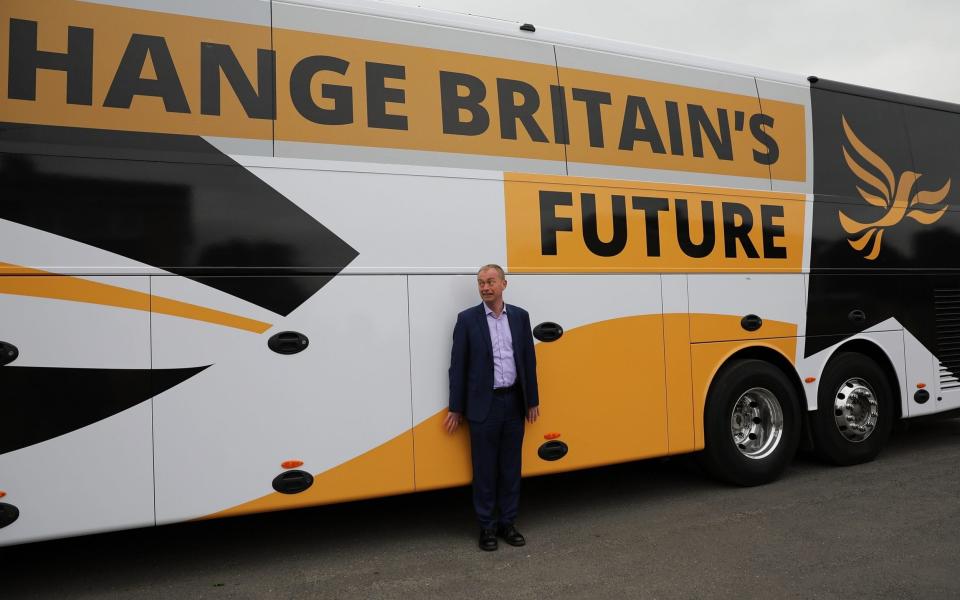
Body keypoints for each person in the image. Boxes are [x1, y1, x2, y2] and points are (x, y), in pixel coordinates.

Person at [445, 264, 540, 551]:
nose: (485, 287)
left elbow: (528, 359)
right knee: (484, 469)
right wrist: (456, 408)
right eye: (480, 283)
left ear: (503, 284)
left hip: (513, 403)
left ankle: (508, 523)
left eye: (490, 282)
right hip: (482, 406)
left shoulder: (520, 317)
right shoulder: (467, 320)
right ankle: (486, 527)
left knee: (511, 468)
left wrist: (532, 399)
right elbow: (458, 367)